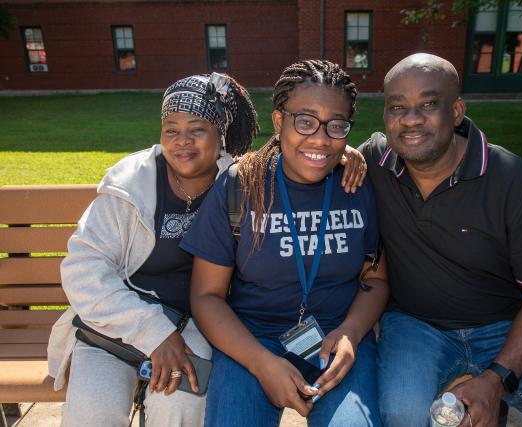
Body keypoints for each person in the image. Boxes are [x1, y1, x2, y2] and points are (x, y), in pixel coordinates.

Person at [358, 53, 522, 427]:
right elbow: (312, 154)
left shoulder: (516, 181)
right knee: (403, 414)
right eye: (398, 107)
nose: (411, 119)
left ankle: (490, 402)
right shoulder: (374, 163)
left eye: (429, 105)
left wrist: (496, 378)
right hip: (416, 324)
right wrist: (348, 156)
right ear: (386, 115)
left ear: (457, 110)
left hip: (507, 325)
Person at [181, 59, 388, 427]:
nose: (321, 139)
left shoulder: (355, 185)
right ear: (279, 121)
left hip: (336, 338)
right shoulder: (241, 186)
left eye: (335, 125)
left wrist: (351, 334)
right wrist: (261, 363)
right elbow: (206, 296)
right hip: (251, 340)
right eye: (305, 121)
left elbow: (375, 280)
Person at [47, 72, 260, 427]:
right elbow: (83, 269)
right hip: (114, 323)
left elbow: (298, 157)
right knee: (92, 412)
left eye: (197, 129)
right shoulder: (132, 182)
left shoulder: (238, 185)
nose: (182, 141)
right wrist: (155, 333)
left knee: (181, 405)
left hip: (195, 325)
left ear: (220, 136)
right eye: (171, 129)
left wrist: (346, 151)